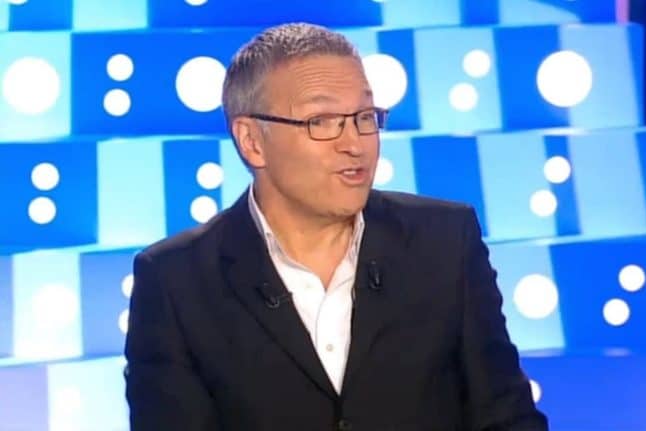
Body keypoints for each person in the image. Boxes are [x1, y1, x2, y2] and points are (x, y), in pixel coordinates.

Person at [124, 22, 548, 431]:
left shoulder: (444, 241)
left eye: (364, 116)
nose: (354, 143)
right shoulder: (176, 281)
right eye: (322, 121)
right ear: (252, 141)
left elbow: (506, 416)